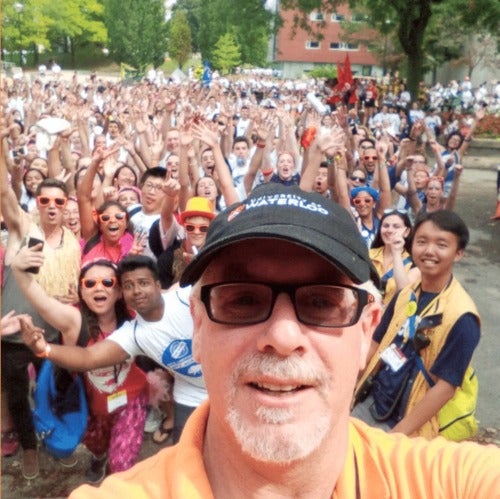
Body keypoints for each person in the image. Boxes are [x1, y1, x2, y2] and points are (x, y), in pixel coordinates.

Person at [69, 184, 500, 498]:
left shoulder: (444, 483)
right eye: (241, 299)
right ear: (197, 328)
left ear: (367, 330)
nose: (282, 335)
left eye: (322, 302)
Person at [21, 255, 206, 447]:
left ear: (158, 285)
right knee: (187, 453)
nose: (137, 291)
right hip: (190, 393)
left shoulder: (186, 297)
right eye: (128, 286)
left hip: (226, 378)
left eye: (143, 283)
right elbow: (88, 357)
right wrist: (44, 349)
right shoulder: (133, 333)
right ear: (123, 293)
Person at [13, 255, 149, 484]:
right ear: (81, 292)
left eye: (108, 283)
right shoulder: (74, 321)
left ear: (118, 292)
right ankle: (98, 457)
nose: (99, 288)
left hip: (132, 399)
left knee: (121, 464)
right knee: (96, 445)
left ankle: (113, 487)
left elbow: (165, 297)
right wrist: (21, 275)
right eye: (90, 283)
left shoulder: (134, 316)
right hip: (91, 406)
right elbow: (44, 304)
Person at [354, 210, 481, 440]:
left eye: (442, 244)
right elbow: (375, 344)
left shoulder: (463, 316)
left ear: (458, 253)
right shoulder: (405, 295)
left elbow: (445, 389)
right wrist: (349, 390)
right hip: (371, 400)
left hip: (408, 425)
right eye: (422, 242)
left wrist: (396, 436)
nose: (429, 251)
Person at [369, 209, 420, 305]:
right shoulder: (368, 255)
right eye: (385, 226)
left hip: (392, 317)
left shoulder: (415, 264)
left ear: (406, 232)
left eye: (396, 227)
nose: (390, 230)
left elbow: (404, 293)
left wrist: (396, 252)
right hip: (366, 315)